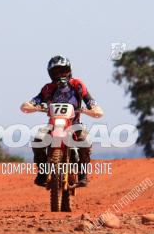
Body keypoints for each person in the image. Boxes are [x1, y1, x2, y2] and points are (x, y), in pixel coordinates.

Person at [20, 56, 103, 187]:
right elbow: (28, 104)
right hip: (53, 125)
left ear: (69, 71)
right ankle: (43, 172)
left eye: (63, 71)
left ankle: (82, 175)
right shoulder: (47, 89)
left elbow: (93, 104)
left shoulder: (78, 85)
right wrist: (34, 106)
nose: (60, 75)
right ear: (51, 74)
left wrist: (91, 109)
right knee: (37, 141)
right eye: (56, 72)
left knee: (85, 142)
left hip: (74, 124)